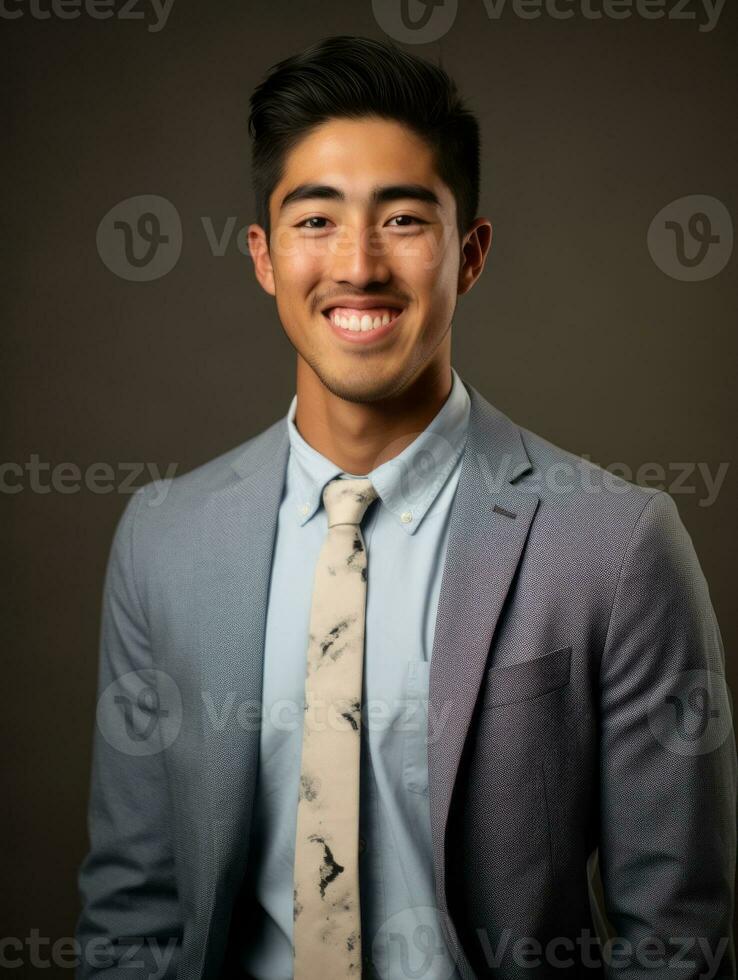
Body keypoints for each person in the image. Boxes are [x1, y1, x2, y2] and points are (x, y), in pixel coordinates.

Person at [75, 34, 737, 980]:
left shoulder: (616, 543)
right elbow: (130, 911)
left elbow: (676, 938)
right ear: (262, 257)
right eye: (315, 220)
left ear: (469, 255)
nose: (358, 265)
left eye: (403, 219)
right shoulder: (163, 540)